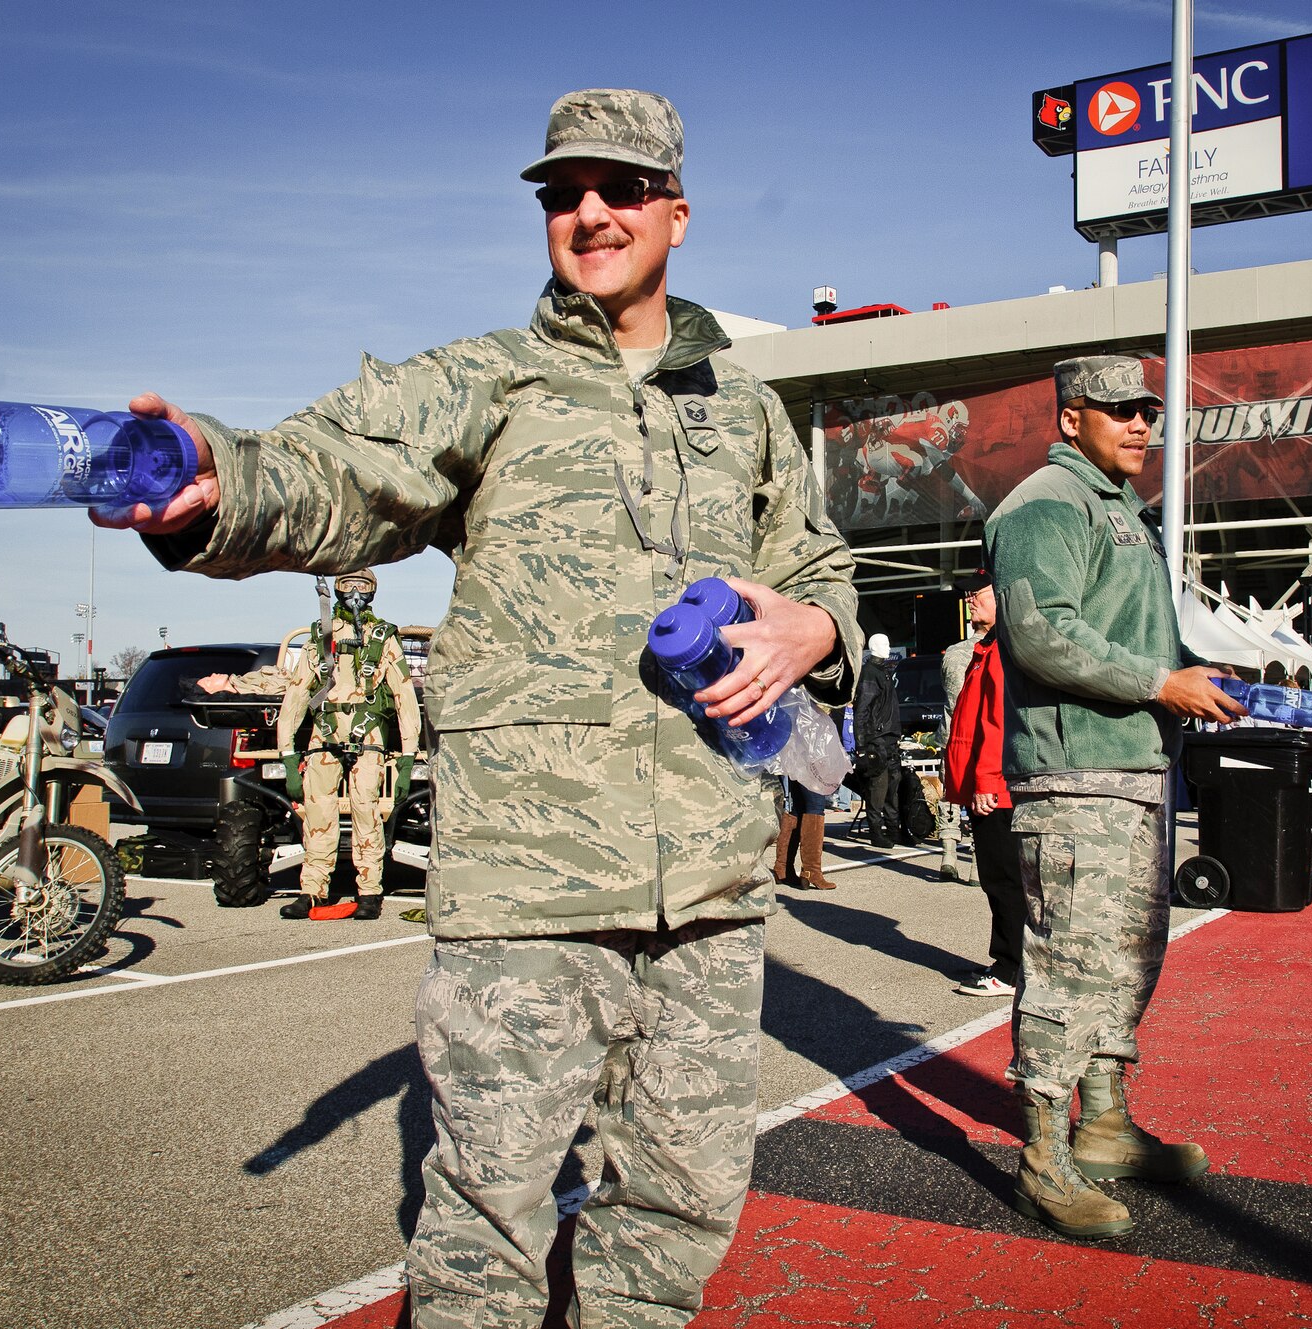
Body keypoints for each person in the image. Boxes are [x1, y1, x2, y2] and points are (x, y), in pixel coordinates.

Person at [97, 88, 859, 1328]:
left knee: (684, 1201)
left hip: (713, 884)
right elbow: (330, 471)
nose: (589, 213)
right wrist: (212, 478)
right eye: (562, 194)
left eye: (618, 189)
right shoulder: (486, 382)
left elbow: (821, 570)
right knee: (487, 1215)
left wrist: (814, 628)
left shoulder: (747, 413)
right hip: (528, 890)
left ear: (677, 210)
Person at [985, 354, 1244, 1240]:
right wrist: (1158, 681)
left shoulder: (1116, 509)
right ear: (1069, 419)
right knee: (1067, 965)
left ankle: (1102, 1123)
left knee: (1126, 959)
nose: (1140, 424)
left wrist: (1182, 683)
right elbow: (1040, 632)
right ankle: (1043, 1159)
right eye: (1118, 411)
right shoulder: (1042, 505)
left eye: (1147, 411)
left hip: (1128, 769)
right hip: (1073, 774)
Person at [275, 568, 422, 920]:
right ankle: (313, 890)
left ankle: (369, 891)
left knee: (366, 812)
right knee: (317, 815)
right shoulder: (319, 636)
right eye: (348, 586)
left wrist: (406, 759)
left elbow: (405, 698)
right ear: (337, 591)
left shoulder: (383, 637)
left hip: (367, 733)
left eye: (362, 586)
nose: (355, 593)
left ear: (372, 592)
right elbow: (295, 698)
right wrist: (287, 754)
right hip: (323, 734)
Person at [941, 573, 1022, 997]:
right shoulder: (986, 648)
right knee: (1001, 877)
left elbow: (998, 722)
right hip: (988, 782)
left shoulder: (1001, 651)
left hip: (996, 787)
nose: (969, 600)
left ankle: (1010, 968)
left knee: (1003, 878)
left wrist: (987, 780)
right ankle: (1015, 963)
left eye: (978, 593)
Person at [936, 583, 985, 882]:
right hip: (983, 735)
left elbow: (948, 694)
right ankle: (977, 864)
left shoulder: (953, 654)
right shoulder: (996, 653)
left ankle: (948, 854)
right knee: (981, 798)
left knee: (949, 795)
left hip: (951, 732)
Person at [853, 632, 903, 847]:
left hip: (889, 738)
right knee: (878, 789)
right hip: (878, 739)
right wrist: (862, 744)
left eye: (888, 643)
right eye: (883, 644)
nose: (888, 647)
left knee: (893, 787)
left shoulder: (883, 672)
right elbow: (862, 710)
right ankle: (877, 832)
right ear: (873, 647)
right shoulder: (871, 674)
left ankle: (893, 829)